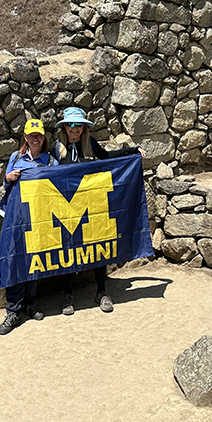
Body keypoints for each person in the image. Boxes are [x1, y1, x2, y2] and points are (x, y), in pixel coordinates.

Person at [50, 106, 143, 316]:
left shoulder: (90, 144)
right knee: (67, 252)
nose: (75, 128)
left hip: (91, 207)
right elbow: (44, 175)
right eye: (71, 124)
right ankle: (68, 294)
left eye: (79, 125)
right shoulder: (56, 149)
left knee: (97, 248)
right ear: (64, 126)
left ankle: (101, 292)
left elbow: (109, 157)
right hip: (67, 209)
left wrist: (132, 152)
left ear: (84, 127)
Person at [0, 118, 58, 336]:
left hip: (38, 220)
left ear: (44, 138)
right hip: (16, 219)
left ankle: (30, 303)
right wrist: (9, 177)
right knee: (15, 259)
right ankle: (12, 310)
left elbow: (57, 187)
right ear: (25, 137)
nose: (35, 138)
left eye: (39, 135)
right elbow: (5, 184)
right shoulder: (16, 158)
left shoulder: (51, 162)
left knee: (34, 261)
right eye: (31, 135)